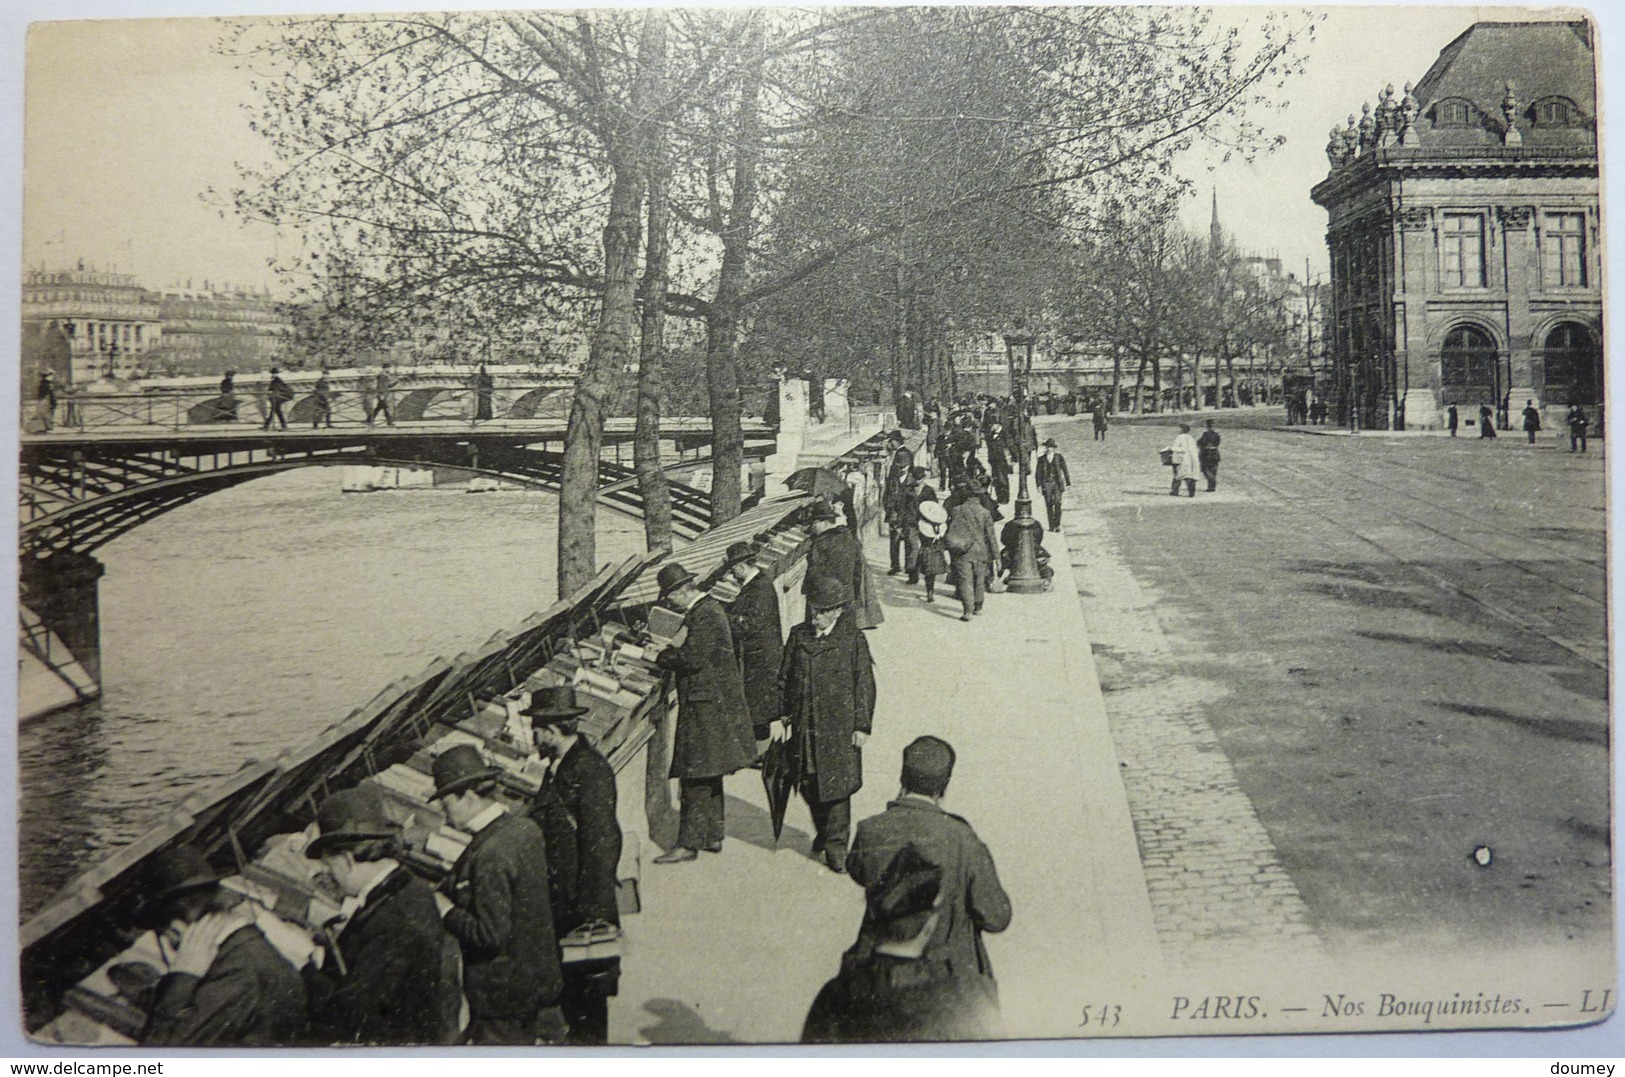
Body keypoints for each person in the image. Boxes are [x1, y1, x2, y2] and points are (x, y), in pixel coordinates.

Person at [842, 737, 1011, 1036]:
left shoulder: (870, 829)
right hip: (948, 982)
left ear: (902, 777)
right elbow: (996, 916)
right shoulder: (961, 838)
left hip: (878, 973)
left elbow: (858, 871)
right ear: (943, 786)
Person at [303, 786, 458, 1045]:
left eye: (329, 865)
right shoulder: (411, 886)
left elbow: (350, 1014)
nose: (329, 874)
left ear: (347, 860)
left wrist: (305, 964)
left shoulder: (393, 922)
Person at [431, 743, 563, 1044]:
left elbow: (489, 935)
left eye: (445, 800)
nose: (442, 809)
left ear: (468, 796)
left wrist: (446, 911)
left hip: (503, 1001)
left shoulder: (489, 854)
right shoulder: (524, 829)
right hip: (537, 983)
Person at [524, 688, 623, 1045]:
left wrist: (590, 919)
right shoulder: (565, 766)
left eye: (536, 729)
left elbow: (603, 845)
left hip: (580, 913)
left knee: (587, 1007)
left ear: (551, 730)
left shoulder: (589, 770)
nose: (533, 737)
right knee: (576, 1002)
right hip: (566, 906)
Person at [136, 845, 307, 1046]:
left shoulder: (233, 974)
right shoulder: (253, 949)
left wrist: (181, 977)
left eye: (171, 942)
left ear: (177, 929)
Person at [653, 562, 756, 862]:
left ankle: (688, 844)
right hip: (711, 702)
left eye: (670, 596)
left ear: (683, 591)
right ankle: (712, 833)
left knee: (694, 773)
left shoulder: (705, 614)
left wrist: (661, 657)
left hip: (705, 704)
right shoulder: (705, 610)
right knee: (709, 771)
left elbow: (693, 657)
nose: (668, 602)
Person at [777, 576, 876, 873]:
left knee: (836, 787)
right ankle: (823, 832)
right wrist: (782, 713)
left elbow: (865, 685)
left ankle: (836, 848)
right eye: (813, 610)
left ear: (837, 611)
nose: (815, 616)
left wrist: (861, 725)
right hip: (804, 724)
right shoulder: (798, 635)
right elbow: (784, 677)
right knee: (808, 783)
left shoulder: (853, 639)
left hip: (838, 726)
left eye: (821, 611)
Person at [722, 541, 783, 755]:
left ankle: (761, 753)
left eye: (733, 570)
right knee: (758, 707)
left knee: (759, 709)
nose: (731, 575)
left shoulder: (760, 588)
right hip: (760, 657)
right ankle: (759, 751)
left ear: (742, 566)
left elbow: (749, 624)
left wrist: (723, 619)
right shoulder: (757, 584)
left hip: (760, 659)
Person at [944, 476, 998, 622]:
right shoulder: (985, 513)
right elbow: (991, 537)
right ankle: (978, 607)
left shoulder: (956, 510)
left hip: (962, 550)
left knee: (965, 580)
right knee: (979, 579)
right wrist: (997, 557)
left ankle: (967, 610)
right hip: (980, 551)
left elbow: (950, 529)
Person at [804, 501, 864, 622]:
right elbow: (858, 569)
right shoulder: (848, 536)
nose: (812, 527)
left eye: (814, 523)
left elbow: (814, 574)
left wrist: (807, 591)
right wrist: (855, 594)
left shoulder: (820, 543)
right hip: (847, 595)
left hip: (825, 600)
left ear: (824, 522)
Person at [915, 498, 950, 604]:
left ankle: (929, 592)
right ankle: (931, 592)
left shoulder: (923, 526)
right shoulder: (941, 527)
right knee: (933, 574)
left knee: (927, 574)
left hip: (926, 550)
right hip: (937, 551)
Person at [1034, 438, 1071, 532]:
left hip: (1057, 483)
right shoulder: (1041, 459)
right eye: (1048, 447)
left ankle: (1057, 524)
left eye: (1051, 447)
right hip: (1046, 483)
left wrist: (1068, 483)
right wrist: (1038, 485)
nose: (1049, 449)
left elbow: (1065, 470)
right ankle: (1051, 525)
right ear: (1046, 448)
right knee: (1049, 504)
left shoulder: (1059, 457)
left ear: (1054, 448)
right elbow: (1038, 473)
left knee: (1058, 503)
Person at [1167, 423, 1200, 497]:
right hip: (1191, 459)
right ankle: (1191, 491)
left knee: (1178, 475)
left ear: (1182, 429)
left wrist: (1170, 448)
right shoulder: (1191, 438)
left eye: (1179, 428)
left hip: (1182, 458)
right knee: (1189, 476)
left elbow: (1178, 448)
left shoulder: (1180, 437)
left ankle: (1174, 491)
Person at [984, 423, 1012, 504]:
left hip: (1002, 461)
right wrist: (989, 459)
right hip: (994, 462)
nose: (991, 426)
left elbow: (1010, 446)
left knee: (1003, 480)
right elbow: (990, 449)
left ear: (998, 425)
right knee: (996, 480)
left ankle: (1005, 498)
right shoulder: (990, 436)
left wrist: (1013, 458)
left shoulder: (1005, 435)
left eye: (993, 425)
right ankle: (999, 497)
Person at [1197, 419, 1222, 493]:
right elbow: (1217, 443)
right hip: (1215, 453)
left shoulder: (1205, 434)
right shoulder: (1217, 435)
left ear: (1206, 425)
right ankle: (1211, 486)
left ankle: (1211, 482)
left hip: (1206, 453)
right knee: (1213, 470)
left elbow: (1200, 443)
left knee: (1205, 469)